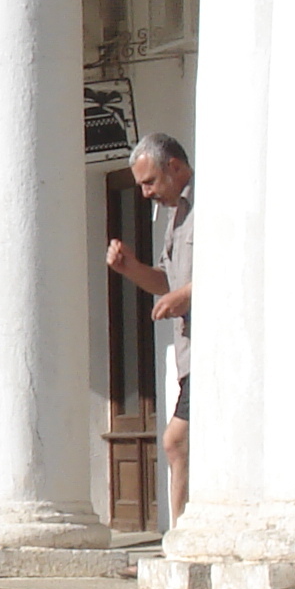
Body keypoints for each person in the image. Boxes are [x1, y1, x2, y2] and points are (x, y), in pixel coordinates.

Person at [105, 131, 193, 519]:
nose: (144, 194)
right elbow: (166, 283)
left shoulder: (212, 201)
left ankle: (180, 539)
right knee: (184, 445)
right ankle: (182, 535)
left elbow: (235, 267)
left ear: (174, 167)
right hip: (192, 355)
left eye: (150, 182)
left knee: (177, 442)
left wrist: (187, 295)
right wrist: (131, 269)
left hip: (218, 351)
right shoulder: (175, 216)